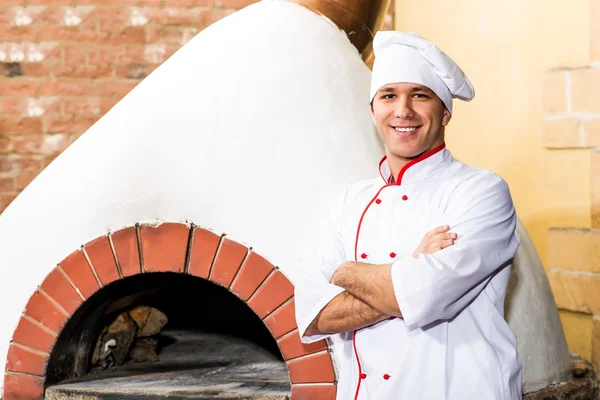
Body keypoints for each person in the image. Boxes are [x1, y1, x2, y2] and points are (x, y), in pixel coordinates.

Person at [294, 31, 522, 400]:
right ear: (373, 111)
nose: (403, 111)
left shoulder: (480, 191)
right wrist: (410, 267)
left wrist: (348, 272)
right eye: (388, 96)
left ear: (445, 112)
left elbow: (423, 297)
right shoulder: (348, 202)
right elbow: (317, 316)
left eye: (419, 95)